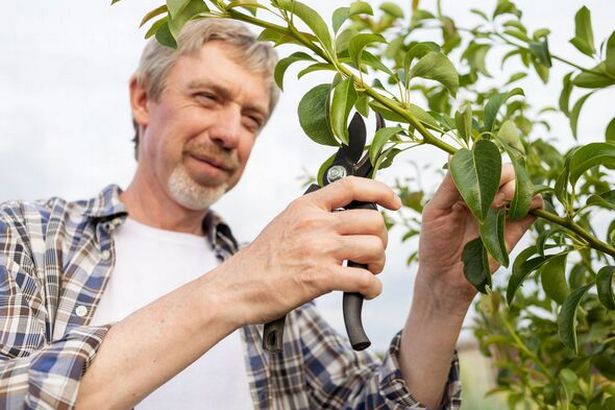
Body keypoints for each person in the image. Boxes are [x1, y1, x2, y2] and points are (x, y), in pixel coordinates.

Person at [0, 18, 541, 409]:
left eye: (252, 117)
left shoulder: (271, 275)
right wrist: (242, 285)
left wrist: (441, 295)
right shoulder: (28, 236)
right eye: (208, 97)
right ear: (143, 99)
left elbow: (374, 403)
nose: (231, 133)